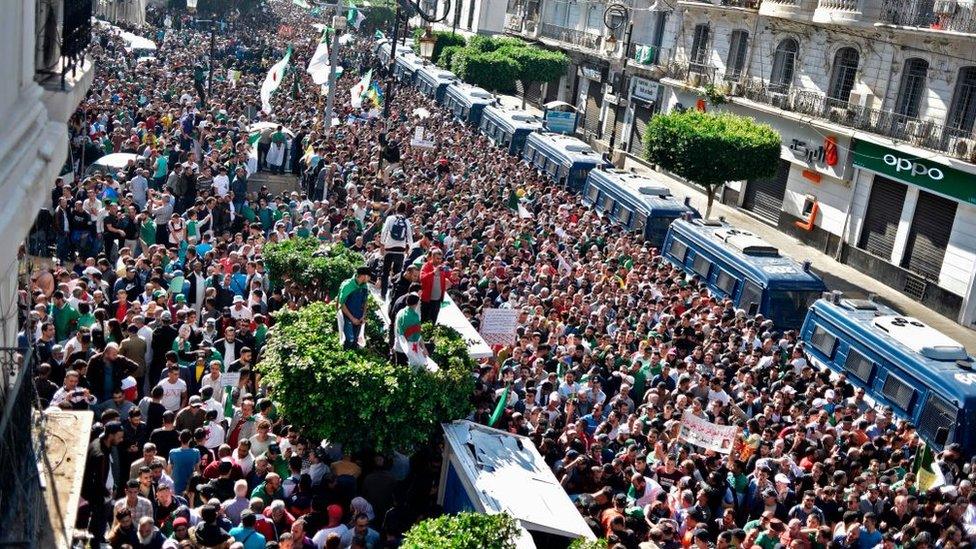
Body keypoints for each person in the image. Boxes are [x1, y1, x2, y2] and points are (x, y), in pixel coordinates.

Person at [378, 202, 413, 298]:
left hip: (389, 248)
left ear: (396, 209)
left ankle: (383, 294)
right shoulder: (406, 221)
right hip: (400, 250)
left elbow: (384, 231)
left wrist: (382, 243)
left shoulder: (390, 218)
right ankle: (393, 294)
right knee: (397, 274)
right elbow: (409, 236)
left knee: (385, 272)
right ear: (404, 210)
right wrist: (409, 249)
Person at [336, 267, 370, 350]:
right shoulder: (348, 285)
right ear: (364, 276)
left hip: (359, 317)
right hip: (347, 317)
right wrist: (352, 318)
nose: (370, 279)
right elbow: (342, 304)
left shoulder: (365, 286)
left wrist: (363, 316)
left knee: (355, 341)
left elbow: (365, 301)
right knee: (349, 340)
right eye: (369, 276)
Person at [418, 248, 452, 324]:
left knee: (433, 320)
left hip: (437, 300)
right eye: (437, 258)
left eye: (440, 259)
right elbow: (422, 279)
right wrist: (433, 272)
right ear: (432, 257)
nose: (439, 260)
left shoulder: (441, 267)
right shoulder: (426, 266)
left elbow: (448, 278)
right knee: (424, 320)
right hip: (427, 299)